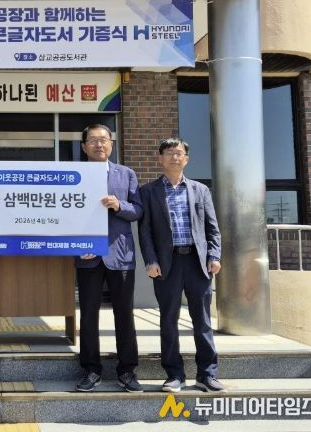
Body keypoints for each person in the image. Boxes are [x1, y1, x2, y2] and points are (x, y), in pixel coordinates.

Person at [138, 138, 225, 393]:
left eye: (179, 153)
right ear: (160, 159)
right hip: (167, 264)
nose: (174, 157)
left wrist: (214, 255)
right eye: (169, 153)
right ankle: (174, 374)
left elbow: (212, 228)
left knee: (202, 320)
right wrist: (150, 260)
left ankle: (207, 374)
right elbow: (145, 231)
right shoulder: (148, 191)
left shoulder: (200, 190)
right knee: (168, 319)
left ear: (186, 159)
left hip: (198, 263)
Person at [74, 124, 144, 393]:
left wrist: (119, 205)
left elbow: (137, 210)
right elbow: (66, 216)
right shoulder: (74, 174)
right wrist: (77, 245)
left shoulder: (126, 174)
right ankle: (91, 369)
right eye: (93, 140)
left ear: (112, 145)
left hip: (120, 254)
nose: (99, 144)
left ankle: (127, 370)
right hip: (87, 255)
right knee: (88, 315)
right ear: (84, 147)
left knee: (124, 314)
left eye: (103, 139)